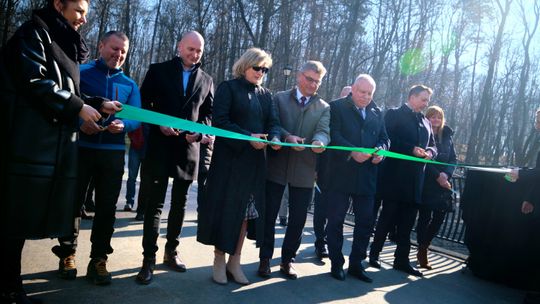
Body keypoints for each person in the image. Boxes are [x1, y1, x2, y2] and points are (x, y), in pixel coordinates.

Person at [0, 0, 121, 301]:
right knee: (12, 222)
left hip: (45, 147)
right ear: (58, 4)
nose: (83, 19)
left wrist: (95, 102)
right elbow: (36, 81)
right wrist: (79, 108)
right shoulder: (33, 34)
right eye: (78, 11)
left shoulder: (58, 38)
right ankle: (8, 289)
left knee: (18, 222)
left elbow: (64, 85)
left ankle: (11, 286)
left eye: (86, 14)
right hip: (26, 144)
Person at [51, 30, 140, 285]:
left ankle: (99, 259)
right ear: (101, 46)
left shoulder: (130, 84)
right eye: (114, 48)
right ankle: (66, 253)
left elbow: (137, 116)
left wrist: (124, 124)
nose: (118, 54)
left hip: (112, 154)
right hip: (81, 149)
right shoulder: (81, 72)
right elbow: (67, 103)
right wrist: (80, 124)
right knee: (73, 202)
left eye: (123, 51)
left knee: (106, 208)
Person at [135, 31, 213, 285]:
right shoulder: (158, 70)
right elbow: (143, 104)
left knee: (179, 205)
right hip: (159, 146)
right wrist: (159, 125)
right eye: (190, 48)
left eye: (199, 50)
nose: (194, 54)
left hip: (188, 151)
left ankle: (172, 252)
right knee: (154, 205)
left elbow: (208, 116)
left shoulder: (207, 80)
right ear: (180, 47)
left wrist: (198, 131)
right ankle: (148, 259)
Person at [197, 47, 280, 285]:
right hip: (229, 163)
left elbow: (273, 122)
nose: (261, 72)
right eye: (258, 67)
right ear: (245, 65)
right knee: (227, 210)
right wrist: (248, 137)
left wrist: (274, 138)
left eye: (265, 69)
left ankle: (235, 260)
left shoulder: (266, 94)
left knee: (245, 214)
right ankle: (219, 259)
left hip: (254, 165)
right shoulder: (228, 88)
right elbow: (221, 122)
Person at [258, 60, 330, 280]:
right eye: (309, 79)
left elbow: (324, 132)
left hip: (305, 170)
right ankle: (265, 260)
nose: (312, 84)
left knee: (298, 220)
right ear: (299, 76)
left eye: (317, 82)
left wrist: (319, 143)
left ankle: (288, 260)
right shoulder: (279, 98)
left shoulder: (324, 107)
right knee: (268, 216)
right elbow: (273, 124)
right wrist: (285, 137)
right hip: (276, 166)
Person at [325, 75, 389, 282]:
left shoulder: (377, 112)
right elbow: (333, 135)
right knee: (335, 220)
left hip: (367, 177)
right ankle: (336, 263)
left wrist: (382, 151)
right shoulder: (336, 107)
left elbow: (384, 138)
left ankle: (356, 264)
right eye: (362, 92)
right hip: (340, 175)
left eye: (370, 93)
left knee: (365, 222)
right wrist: (352, 152)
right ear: (352, 89)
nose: (365, 96)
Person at [369, 84, 437, 277]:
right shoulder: (394, 114)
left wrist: (430, 153)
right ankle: (374, 254)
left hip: (416, 181)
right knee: (387, 218)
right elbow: (387, 139)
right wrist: (411, 149)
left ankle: (401, 260)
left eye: (427, 100)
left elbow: (433, 144)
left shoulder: (425, 121)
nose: (426, 104)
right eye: (423, 99)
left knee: (407, 224)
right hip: (394, 178)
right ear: (412, 97)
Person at [313, 84, 354, 260]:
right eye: (345, 96)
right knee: (321, 210)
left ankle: (331, 243)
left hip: (343, 174)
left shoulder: (354, 117)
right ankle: (320, 243)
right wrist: (315, 169)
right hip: (325, 170)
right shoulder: (329, 111)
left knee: (336, 213)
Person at [416, 106, 456, 269]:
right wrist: (437, 175)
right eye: (432, 117)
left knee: (439, 217)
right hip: (427, 180)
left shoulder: (447, 136)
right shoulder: (423, 133)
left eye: (438, 117)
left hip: (442, 183)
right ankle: (421, 248)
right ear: (427, 118)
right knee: (424, 217)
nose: (435, 120)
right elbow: (423, 158)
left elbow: (453, 158)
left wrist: (446, 174)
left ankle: (424, 246)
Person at [125, 125, 145, 213]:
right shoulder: (138, 112)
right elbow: (130, 129)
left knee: (145, 180)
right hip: (135, 147)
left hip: (147, 149)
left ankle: (142, 206)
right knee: (132, 177)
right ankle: (129, 201)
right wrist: (133, 139)